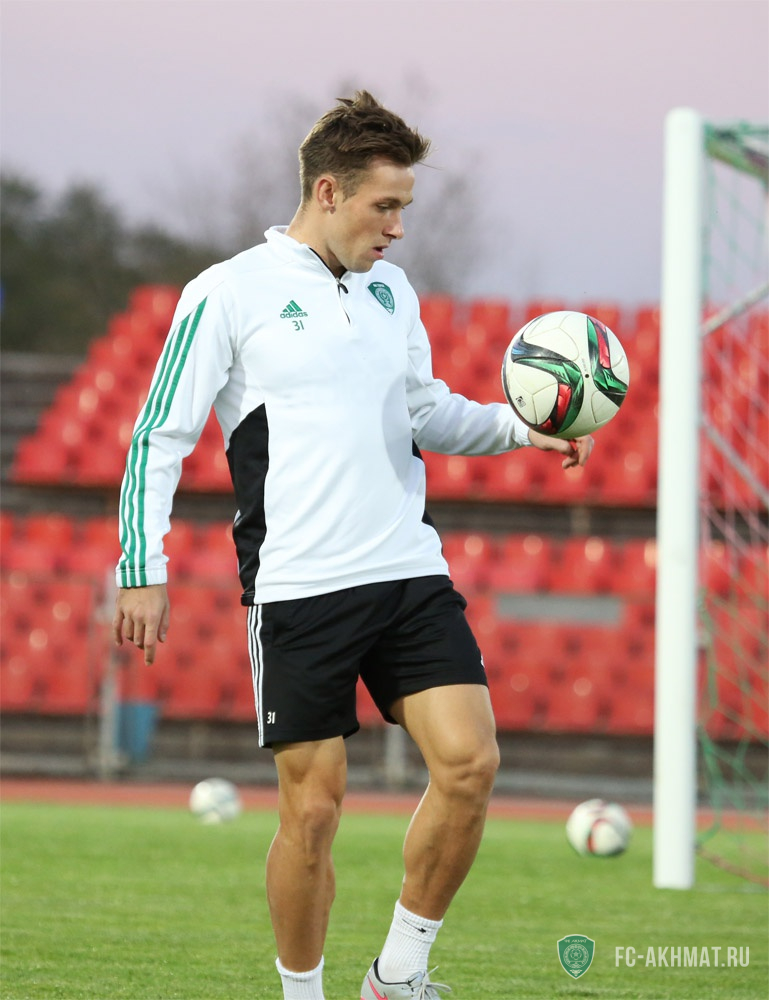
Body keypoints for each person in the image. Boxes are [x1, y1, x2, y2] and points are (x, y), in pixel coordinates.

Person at [112, 91, 594, 1000]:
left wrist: (519, 428)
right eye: (385, 205)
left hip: (407, 570)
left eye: (404, 207)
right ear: (328, 191)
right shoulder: (226, 292)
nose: (398, 228)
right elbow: (157, 437)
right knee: (314, 814)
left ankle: (398, 974)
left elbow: (423, 411)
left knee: (470, 765)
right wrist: (143, 567)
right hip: (300, 587)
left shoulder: (390, 291)